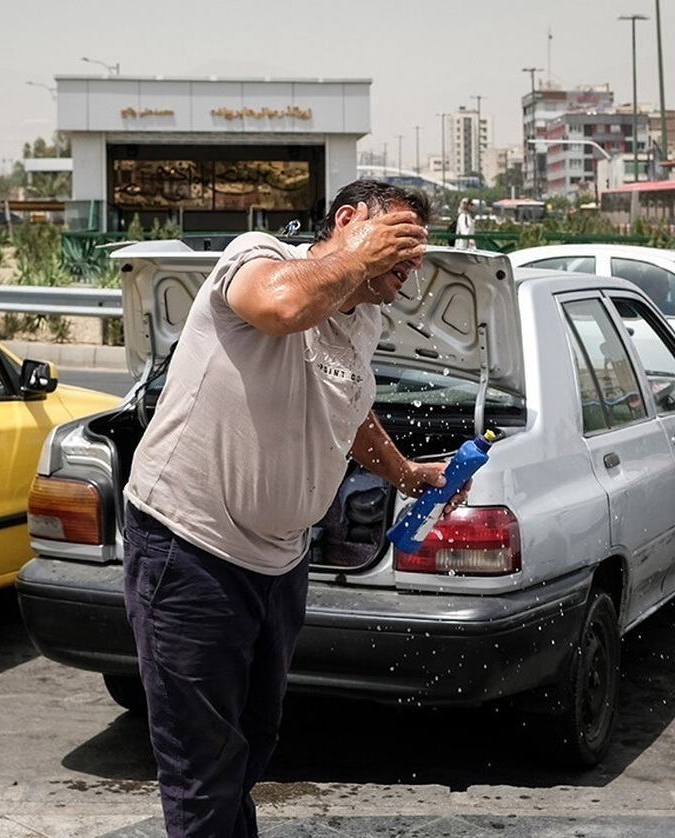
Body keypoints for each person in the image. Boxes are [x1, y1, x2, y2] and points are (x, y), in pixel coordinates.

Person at [122, 180, 461, 837]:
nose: (409, 261)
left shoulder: (364, 319)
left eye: (417, 250)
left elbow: (348, 402)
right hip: (189, 550)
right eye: (397, 238)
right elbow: (282, 308)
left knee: (254, 737)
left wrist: (406, 472)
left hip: (278, 564)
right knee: (202, 771)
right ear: (347, 219)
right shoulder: (258, 257)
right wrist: (361, 256)